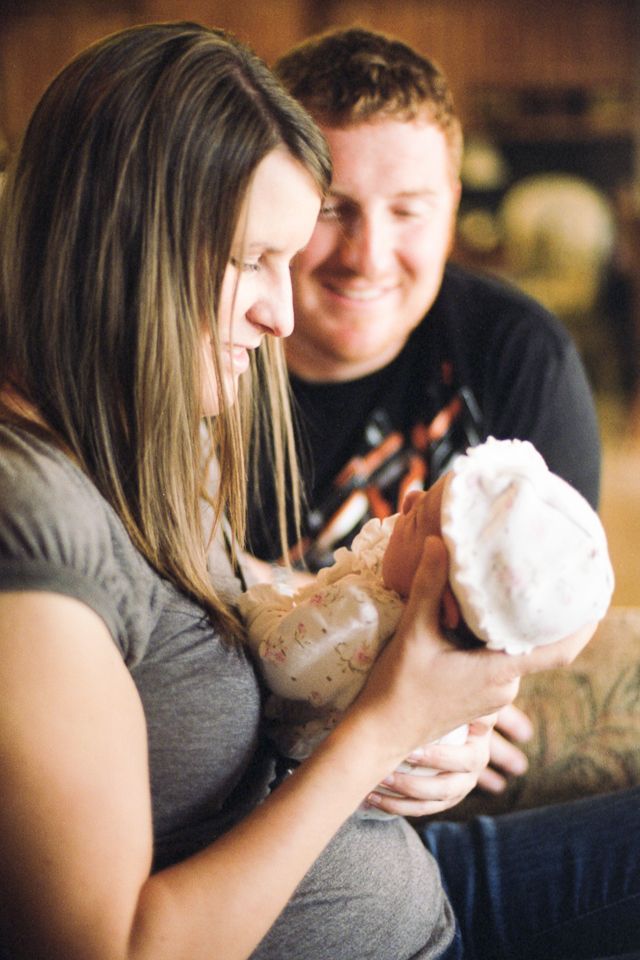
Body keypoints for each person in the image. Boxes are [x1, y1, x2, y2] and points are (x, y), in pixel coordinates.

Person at [0, 20, 636, 960]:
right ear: (124, 244)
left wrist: (414, 669)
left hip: (409, 886)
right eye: (247, 261)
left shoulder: (124, 429)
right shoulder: (34, 533)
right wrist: (380, 734)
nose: (283, 310)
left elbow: (231, 595)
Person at [246, 25, 603, 795]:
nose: (369, 256)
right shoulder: (204, 357)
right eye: (333, 208)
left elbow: (567, 597)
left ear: (453, 209)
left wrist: (475, 698)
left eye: (408, 211)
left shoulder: (517, 352)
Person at [240, 437, 614, 819]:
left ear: (443, 604)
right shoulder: (456, 651)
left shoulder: (363, 619)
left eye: (418, 519)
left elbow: (281, 665)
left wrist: (255, 604)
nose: (409, 499)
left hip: (302, 795)